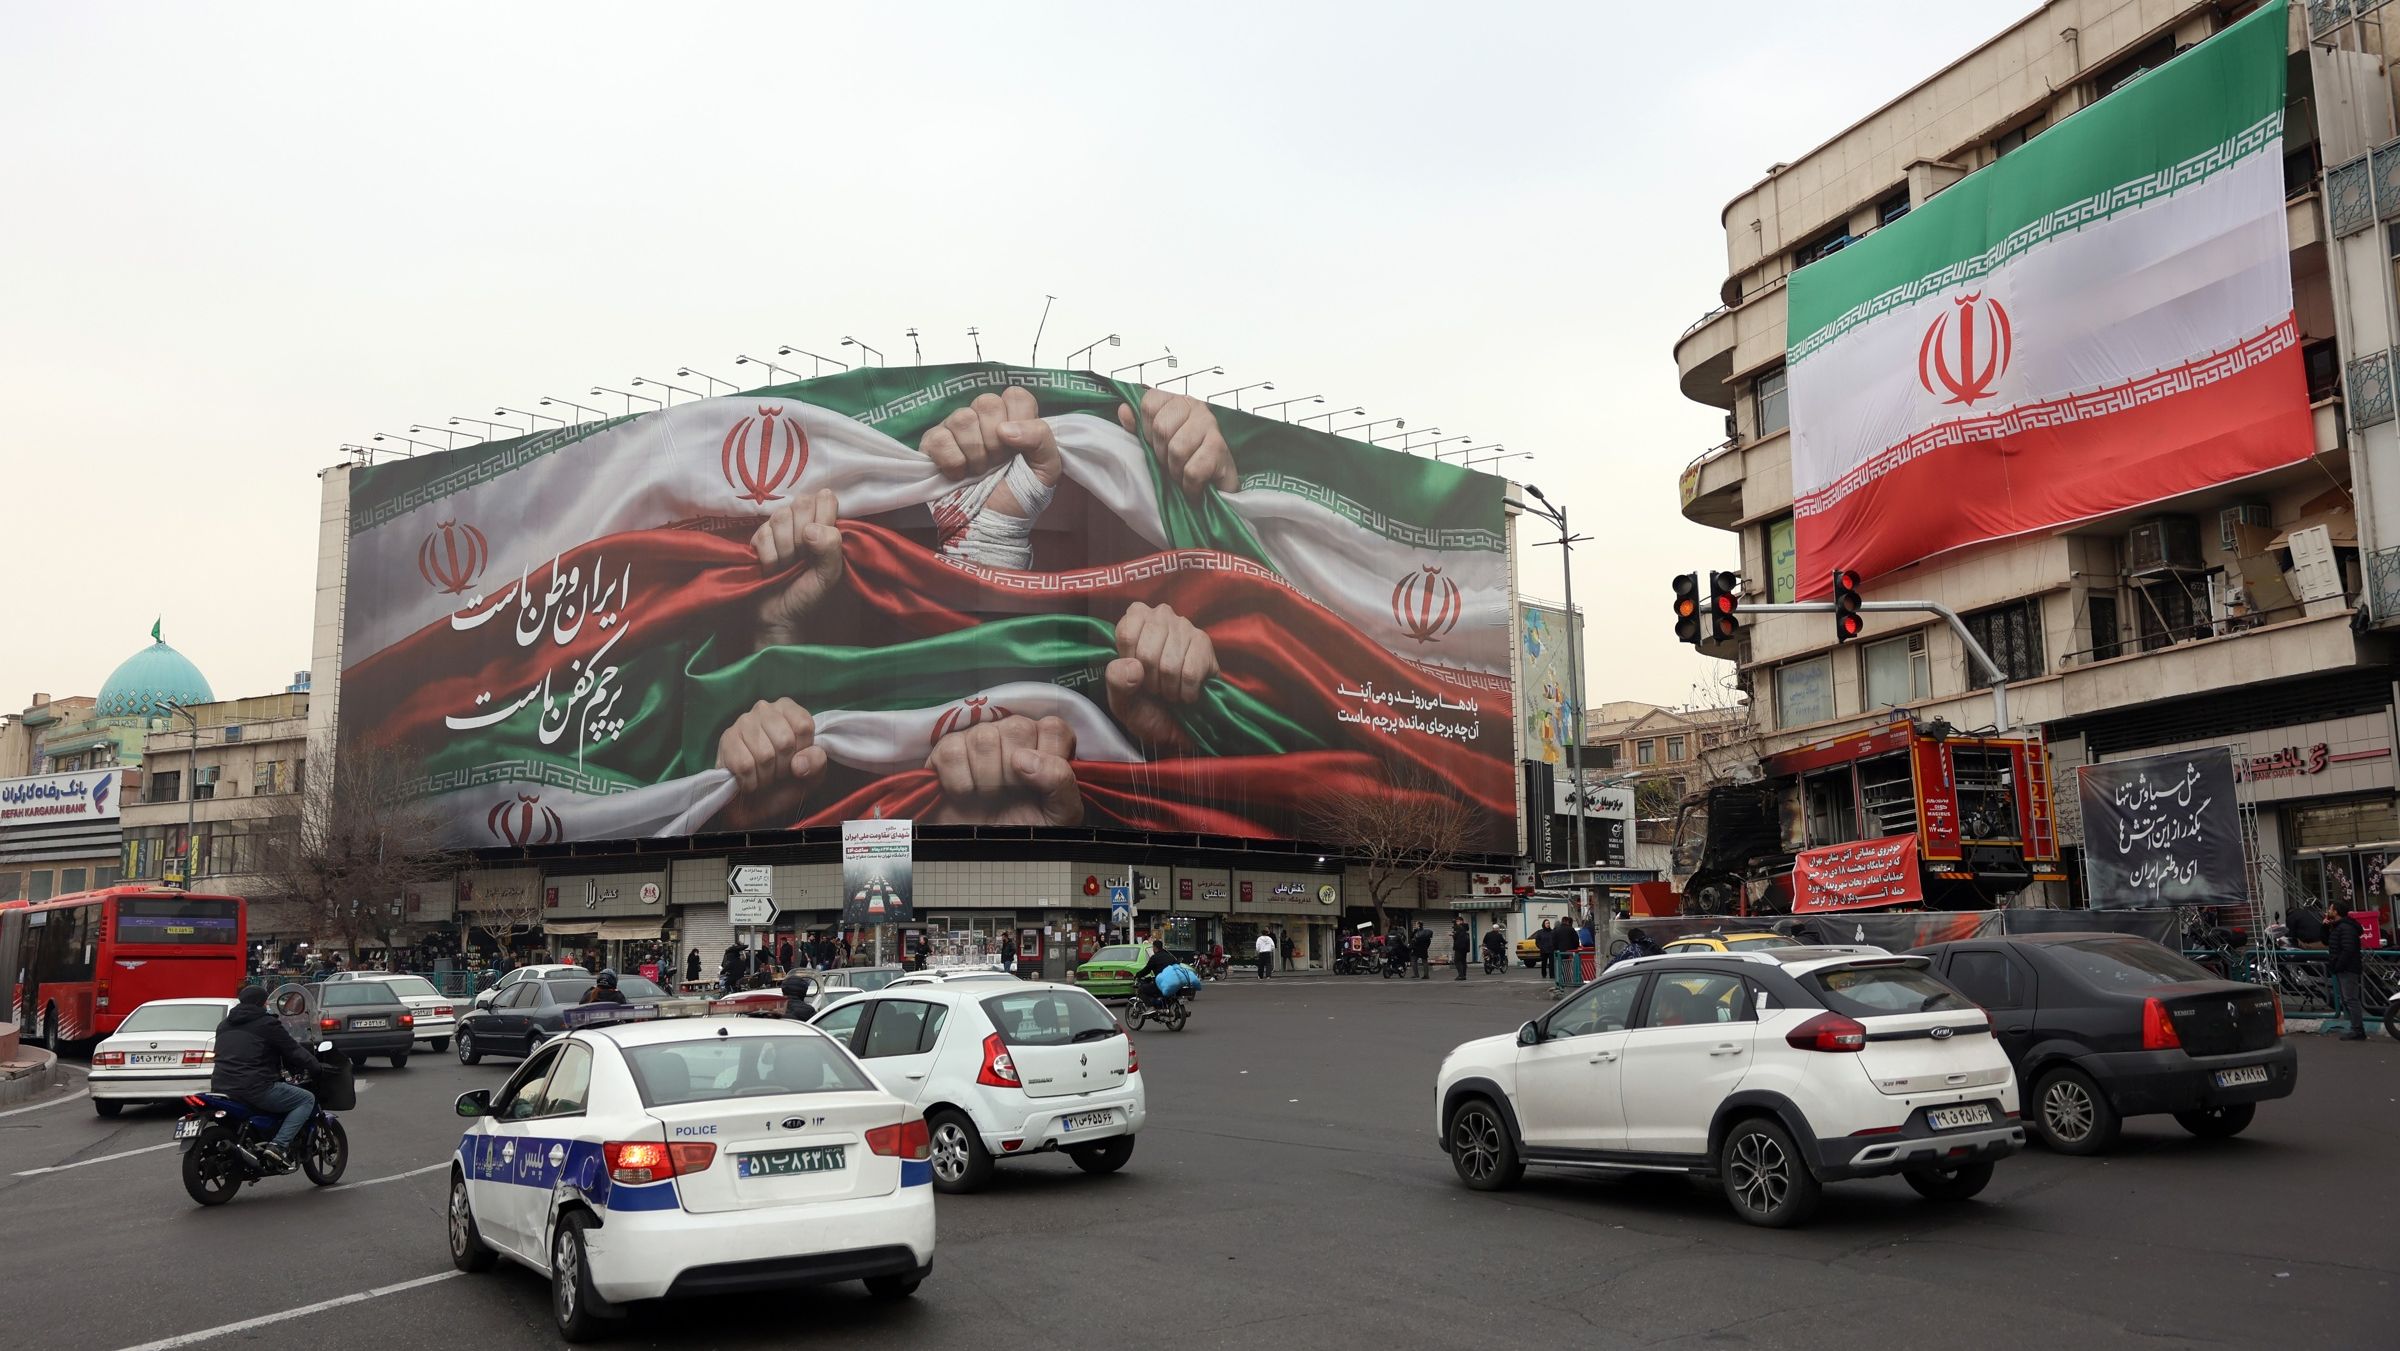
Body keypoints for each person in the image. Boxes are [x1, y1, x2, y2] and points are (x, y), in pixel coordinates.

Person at [210, 986, 324, 1172]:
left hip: (222, 1088)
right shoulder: (267, 1024)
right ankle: (278, 1146)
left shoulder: (223, 1025)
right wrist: (315, 1067)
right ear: (261, 1003)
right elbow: (292, 1050)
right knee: (306, 1099)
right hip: (256, 1087)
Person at [2327, 901, 2367, 1040]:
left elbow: (2348, 949)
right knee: (2346, 998)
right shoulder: (2338, 927)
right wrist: (2324, 926)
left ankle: (2358, 1029)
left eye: (2330, 909)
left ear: (2336, 912)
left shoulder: (2345, 927)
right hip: (2343, 967)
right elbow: (2327, 941)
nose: (2328, 911)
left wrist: (2339, 965)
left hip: (2348, 967)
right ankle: (2355, 1028)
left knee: (2350, 999)